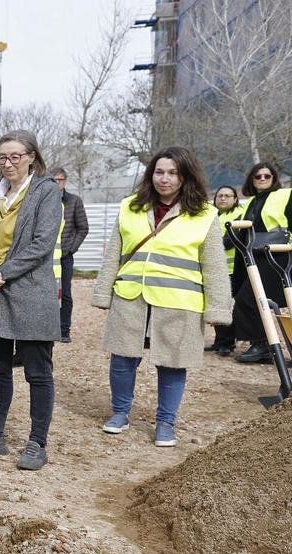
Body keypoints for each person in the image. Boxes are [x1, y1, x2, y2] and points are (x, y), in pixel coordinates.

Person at [92, 147, 231, 447]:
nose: (164, 179)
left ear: (185, 177)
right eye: (159, 172)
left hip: (179, 301)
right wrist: (103, 292)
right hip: (131, 295)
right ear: (150, 174)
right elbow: (113, 255)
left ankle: (165, 422)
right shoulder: (129, 206)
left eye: (172, 173)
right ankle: (120, 413)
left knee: (172, 362)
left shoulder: (205, 214)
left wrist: (218, 310)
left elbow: (215, 266)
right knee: (122, 358)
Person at [0, 130, 62, 470]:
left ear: (32, 156)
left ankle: (37, 443)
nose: (7, 164)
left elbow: (41, 244)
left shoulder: (47, 192)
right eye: (2, 158)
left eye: (14, 157)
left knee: (38, 372)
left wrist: (1, 273)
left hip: (31, 293)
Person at [231, 162, 291, 364]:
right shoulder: (249, 203)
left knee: (250, 299)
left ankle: (262, 346)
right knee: (254, 300)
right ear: (252, 180)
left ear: (274, 178)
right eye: (258, 176)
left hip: (279, 256)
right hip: (255, 257)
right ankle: (263, 345)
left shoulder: (285, 195)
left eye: (267, 176)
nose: (263, 179)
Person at [51, 167, 89, 343]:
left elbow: (83, 227)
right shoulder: (45, 200)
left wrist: (71, 248)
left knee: (65, 293)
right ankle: (48, 328)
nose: (57, 183)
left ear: (65, 181)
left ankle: (64, 329)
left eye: (60, 180)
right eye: (53, 180)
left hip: (65, 255)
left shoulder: (74, 201)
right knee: (47, 292)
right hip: (47, 256)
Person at [208, 184, 247, 356]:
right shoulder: (211, 215)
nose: (223, 198)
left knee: (229, 306)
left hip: (233, 269)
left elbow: (230, 241)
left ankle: (228, 343)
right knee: (217, 304)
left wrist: (208, 246)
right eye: (220, 195)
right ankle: (220, 341)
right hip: (215, 269)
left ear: (235, 199)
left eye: (227, 196)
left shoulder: (239, 214)